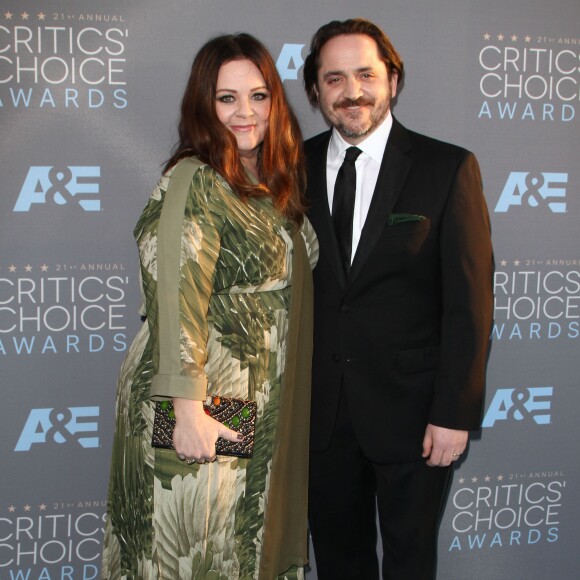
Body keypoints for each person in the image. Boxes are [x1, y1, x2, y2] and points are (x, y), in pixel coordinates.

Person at [101, 33, 318, 580]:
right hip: (203, 399)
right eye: (227, 98)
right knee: (195, 555)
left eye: (259, 95)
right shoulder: (195, 177)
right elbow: (175, 292)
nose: (245, 112)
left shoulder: (263, 183)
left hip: (249, 398)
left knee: (237, 549)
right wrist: (186, 409)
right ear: (204, 105)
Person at [302, 18, 493, 580]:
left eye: (365, 73)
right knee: (340, 563)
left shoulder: (446, 167)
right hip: (320, 416)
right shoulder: (292, 168)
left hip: (416, 418)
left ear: (393, 79)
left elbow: (470, 302)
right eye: (333, 78)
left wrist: (454, 413)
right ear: (316, 91)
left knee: (410, 564)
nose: (351, 91)